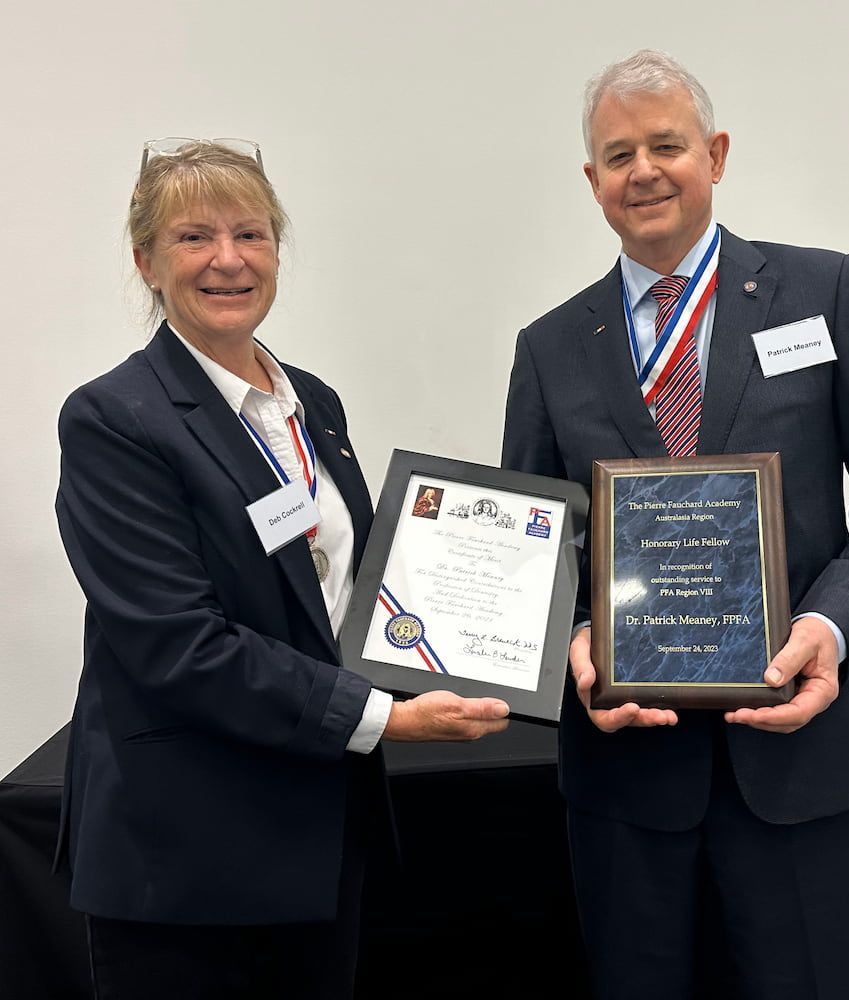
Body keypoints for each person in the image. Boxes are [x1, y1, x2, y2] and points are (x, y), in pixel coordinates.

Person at [501, 51, 849, 1000]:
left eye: (667, 145)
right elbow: (537, 552)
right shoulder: (548, 348)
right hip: (629, 782)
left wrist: (827, 631)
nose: (644, 170)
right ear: (592, 182)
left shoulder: (823, 291)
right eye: (618, 155)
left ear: (716, 153)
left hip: (808, 763)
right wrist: (578, 636)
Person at [55, 138, 510, 1000]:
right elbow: (180, 647)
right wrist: (390, 718)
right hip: (190, 854)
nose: (228, 260)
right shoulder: (115, 420)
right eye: (195, 238)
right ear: (146, 260)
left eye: (252, 235)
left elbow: (342, 587)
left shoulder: (310, 401)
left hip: (319, 823)